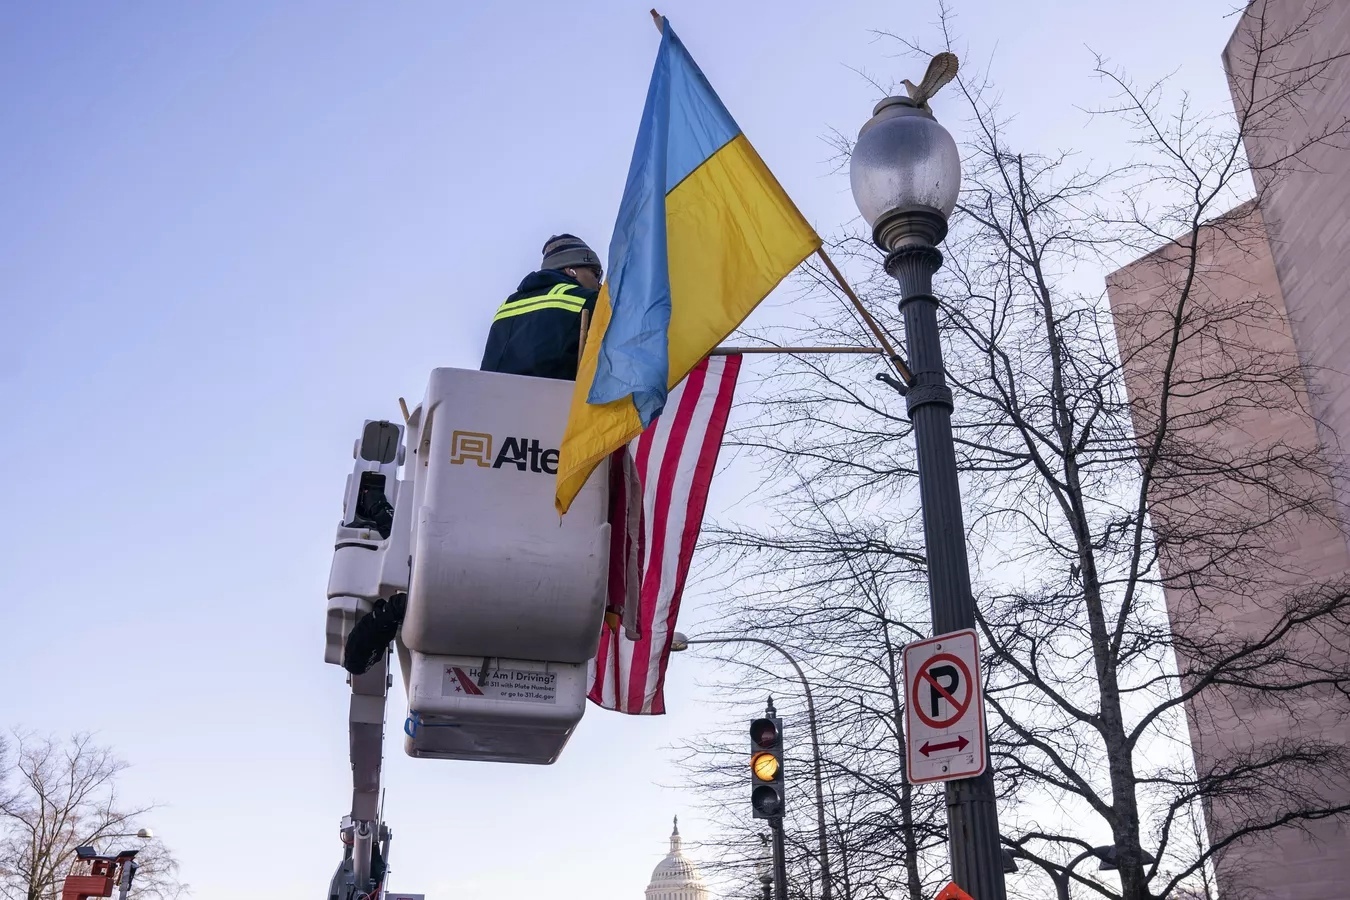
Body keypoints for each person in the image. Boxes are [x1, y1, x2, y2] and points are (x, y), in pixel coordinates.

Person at [341, 234, 604, 675]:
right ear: (576, 269)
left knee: (467, 526)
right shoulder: (582, 300)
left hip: (489, 433)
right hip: (553, 433)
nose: (600, 283)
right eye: (597, 274)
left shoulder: (511, 305)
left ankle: (405, 581)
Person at [480, 233, 602, 379]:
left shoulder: (507, 304)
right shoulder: (586, 299)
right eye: (596, 274)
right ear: (571, 270)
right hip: (557, 398)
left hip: (492, 397)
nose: (599, 283)